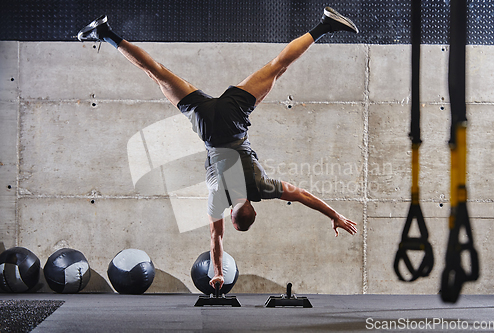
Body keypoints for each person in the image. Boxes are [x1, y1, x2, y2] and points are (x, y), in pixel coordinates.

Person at [78, 6, 359, 291]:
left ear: (254, 209)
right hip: (207, 125)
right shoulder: (216, 199)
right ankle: (106, 33)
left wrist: (334, 214)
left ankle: (324, 25)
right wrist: (218, 273)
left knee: (277, 67)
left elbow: (303, 195)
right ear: (231, 217)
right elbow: (216, 241)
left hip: (234, 117)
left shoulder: (263, 188)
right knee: (157, 73)